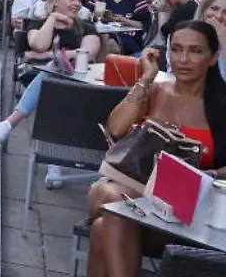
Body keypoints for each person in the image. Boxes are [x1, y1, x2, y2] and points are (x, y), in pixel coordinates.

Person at [86, 22, 226, 277]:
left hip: (186, 214)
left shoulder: (221, 106)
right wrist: (146, 77)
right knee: (113, 200)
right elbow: (115, 129)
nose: (183, 59)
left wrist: (211, 176)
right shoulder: (156, 90)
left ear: (213, 58)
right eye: (176, 49)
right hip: (132, 191)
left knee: (103, 227)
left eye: (195, 51)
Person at [0, 0, 101, 185]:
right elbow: (37, 44)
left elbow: (88, 53)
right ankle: (54, 167)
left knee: (51, 74)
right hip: (42, 80)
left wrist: (48, 55)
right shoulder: (38, 22)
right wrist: (52, 19)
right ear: (56, 1)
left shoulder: (86, 26)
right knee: (51, 77)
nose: (77, 3)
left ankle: (11, 122)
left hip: (82, 85)